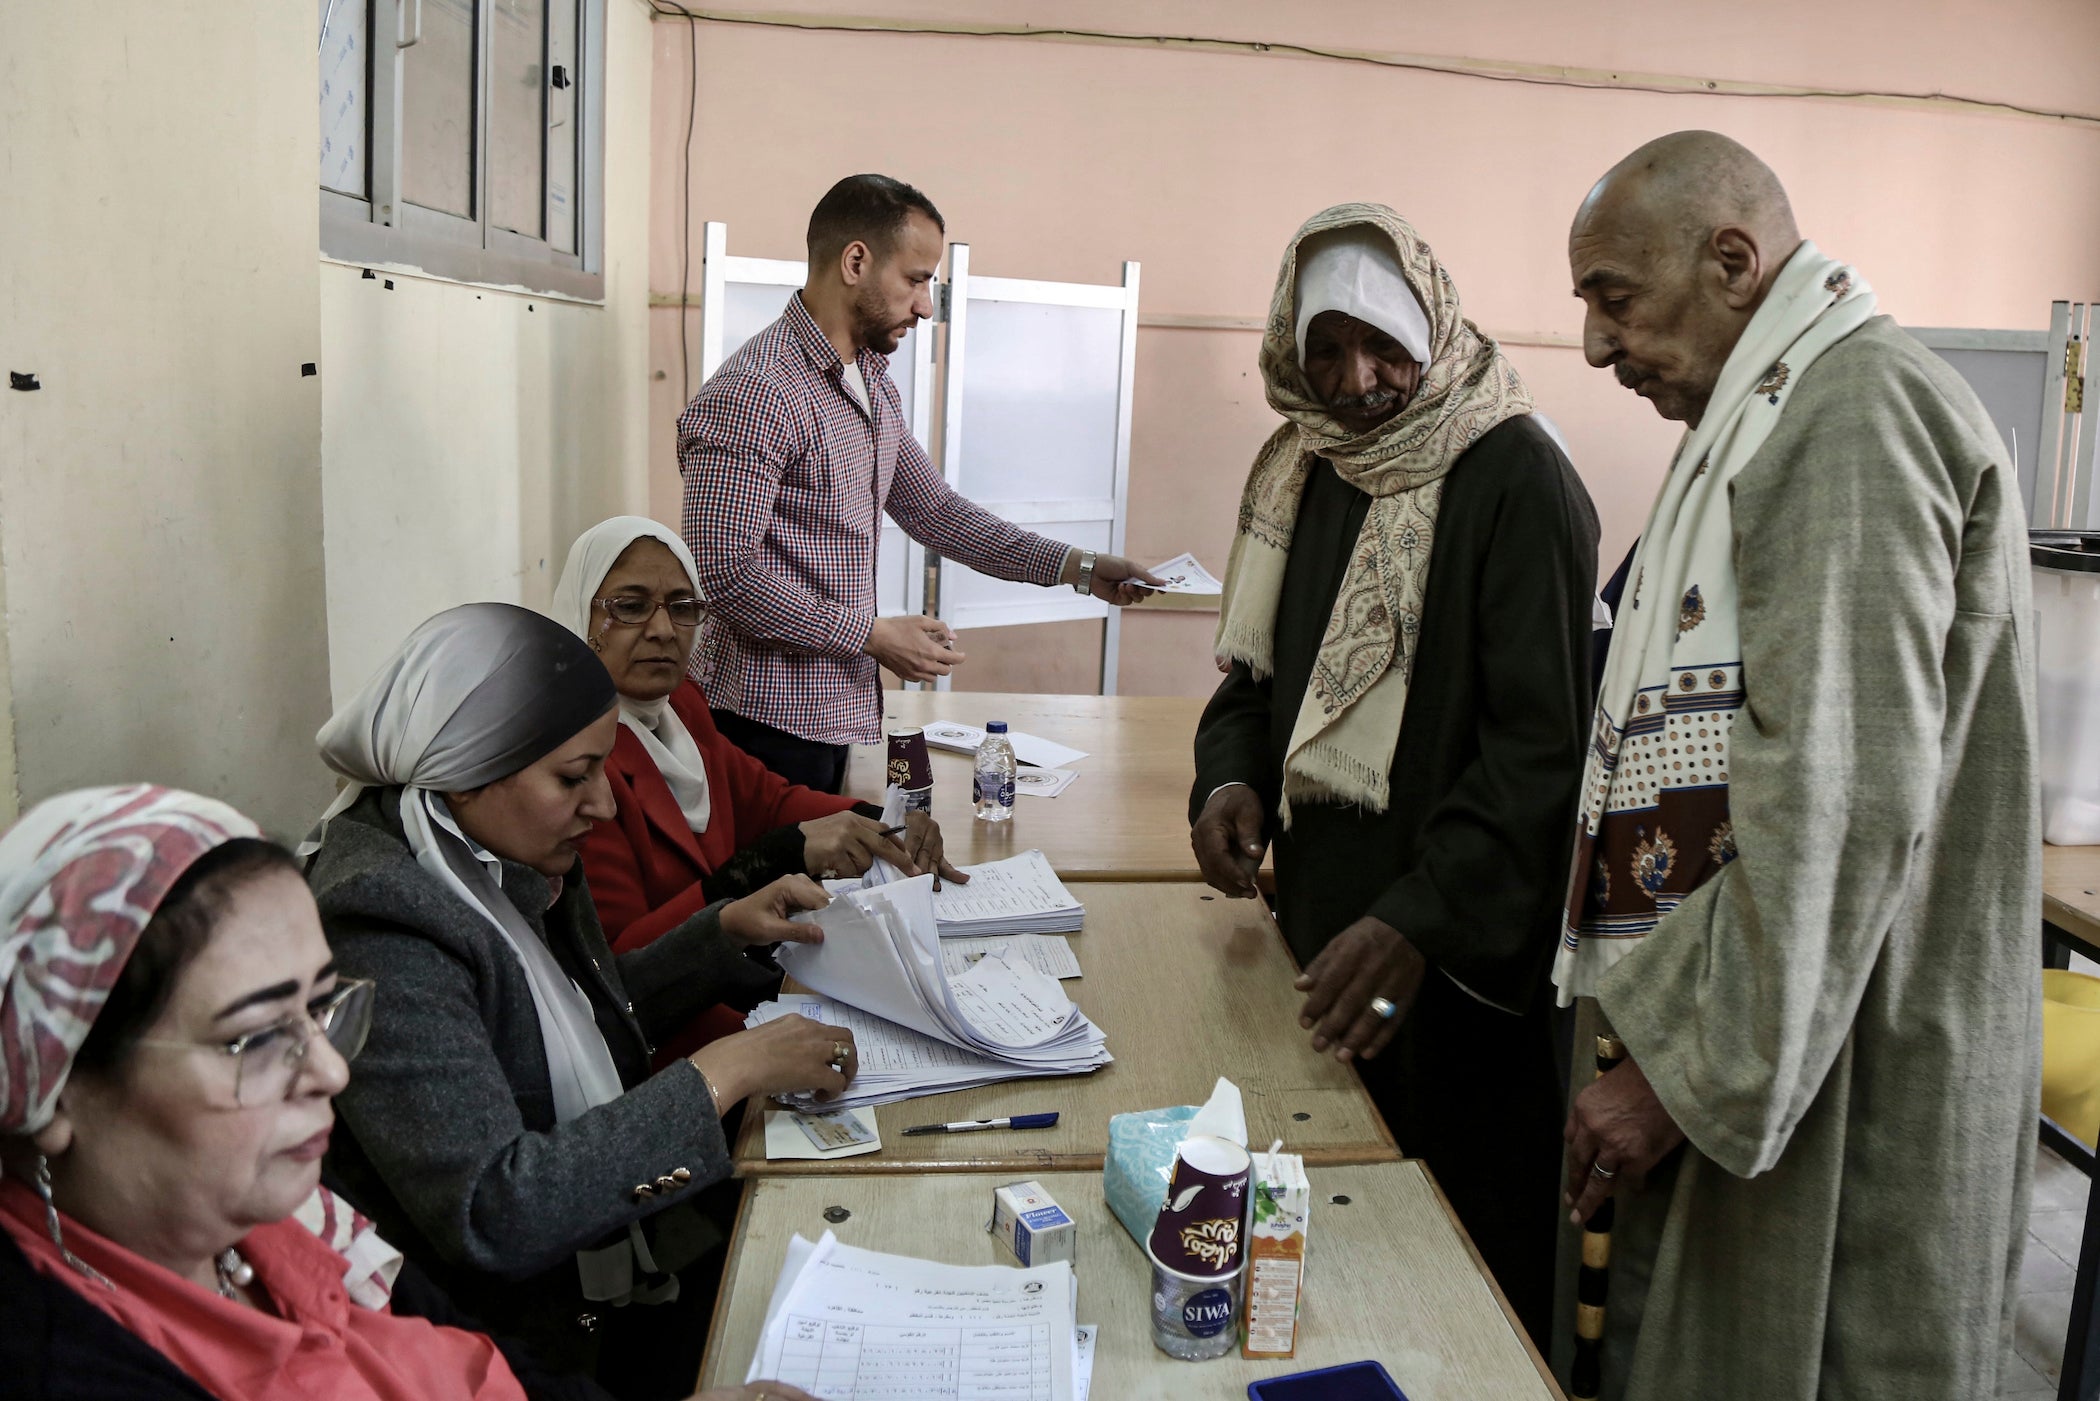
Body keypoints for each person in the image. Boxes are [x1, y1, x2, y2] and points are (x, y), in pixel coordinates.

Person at [1556, 131, 2039, 1400]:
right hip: (1779, 1015)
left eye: (1614, 297)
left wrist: (1685, 1071)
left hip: (1834, 1056)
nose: (1598, 346)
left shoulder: (1852, 411)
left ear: (1731, 261)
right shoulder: (1777, 406)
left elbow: (1836, 799)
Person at [0, 781, 819, 1401]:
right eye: (254, 1037)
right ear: (55, 1087)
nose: (328, 1070)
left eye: (319, 1006)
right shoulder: (75, 1361)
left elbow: (491, 1367)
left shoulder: (288, 1224)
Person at [1189, 203, 1599, 1342]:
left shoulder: (1519, 476)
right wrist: (1227, 784)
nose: (1354, 377)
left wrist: (1417, 920)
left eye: (1380, 344)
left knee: (1455, 1277)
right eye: (1324, 348)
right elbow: (1257, 684)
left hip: (1453, 965)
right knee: (1330, 1259)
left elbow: (1540, 754)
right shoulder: (1307, 470)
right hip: (1327, 937)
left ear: (1435, 326)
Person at [302, 602, 856, 1398]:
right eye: (575, 776)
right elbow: (498, 1207)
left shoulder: (491, 846)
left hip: (600, 1279)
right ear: (468, 766)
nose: (602, 804)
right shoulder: (382, 920)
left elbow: (561, 1027)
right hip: (517, 1342)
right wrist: (724, 1070)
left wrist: (720, 933)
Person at [678, 173, 1162, 792]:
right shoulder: (755, 392)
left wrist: (1082, 566)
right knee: (782, 888)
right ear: (856, 261)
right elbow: (724, 576)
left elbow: (935, 511)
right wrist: (873, 634)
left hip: (835, 715)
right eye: (916, 279)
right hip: (758, 726)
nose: (928, 305)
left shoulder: (870, 382)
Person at [551, 516, 965, 1059]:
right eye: (629, 607)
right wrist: (777, 857)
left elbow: (767, 800)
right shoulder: (574, 764)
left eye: (682, 607)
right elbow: (621, 966)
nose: (661, 631)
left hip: (744, 992)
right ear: (579, 617)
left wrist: (880, 821)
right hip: (670, 1037)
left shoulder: (681, 708)